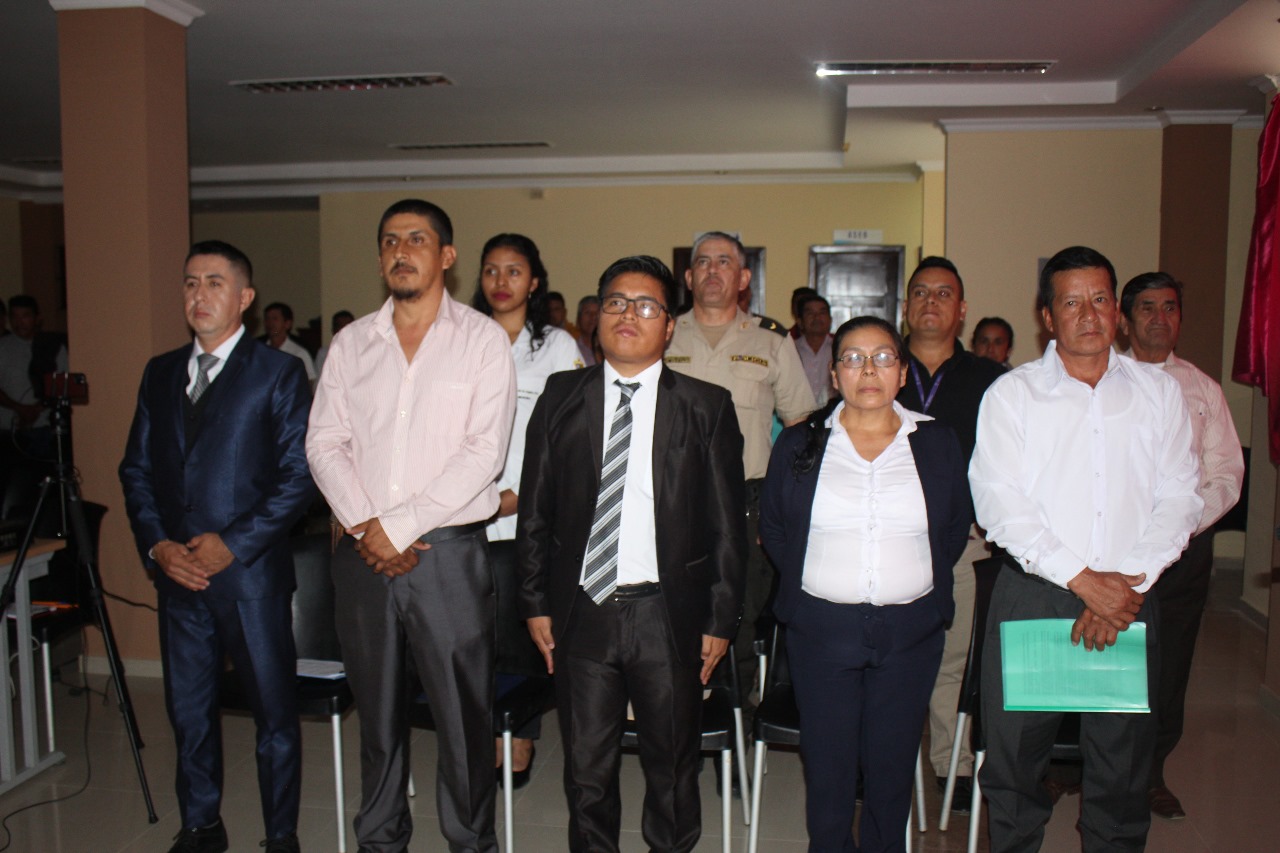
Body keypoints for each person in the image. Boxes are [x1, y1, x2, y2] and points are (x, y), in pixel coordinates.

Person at [969, 246, 1202, 853]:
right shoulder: (1012, 395)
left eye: (1100, 299)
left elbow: (1181, 495)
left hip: (1130, 600)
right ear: (1047, 315)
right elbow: (1000, 503)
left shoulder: (1159, 393)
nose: (1089, 314)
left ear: (1117, 311)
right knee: (1016, 771)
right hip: (1034, 599)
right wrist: (1083, 580)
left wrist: (1124, 585)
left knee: (1122, 776)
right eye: (1071, 302)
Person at [306, 199, 516, 853]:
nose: (401, 250)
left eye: (417, 239)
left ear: (446, 256)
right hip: (362, 557)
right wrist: (367, 526)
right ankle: (379, 840)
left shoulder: (482, 341)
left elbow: (484, 452)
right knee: (376, 719)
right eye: (390, 241)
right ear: (380, 259)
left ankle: (470, 842)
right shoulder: (351, 345)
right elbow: (324, 442)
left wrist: (397, 525)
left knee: (462, 721)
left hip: (447, 555)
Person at [517, 255, 746, 853]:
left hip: (667, 614)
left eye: (646, 306)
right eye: (616, 302)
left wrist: (720, 619)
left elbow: (727, 526)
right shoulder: (560, 396)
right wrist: (534, 601)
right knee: (586, 771)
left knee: (672, 768)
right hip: (582, 611)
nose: (628, 315)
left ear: (669, 326)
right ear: (597, 317)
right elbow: (535, 510)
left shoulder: (706, 406)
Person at [118, 241, 314, 853]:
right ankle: (201, 825)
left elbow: (299, 476)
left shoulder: (277, 372)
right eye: (190, 283)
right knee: (189, 711)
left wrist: (231, 544)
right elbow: (135, 471)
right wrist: (158, 547)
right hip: (178, 577)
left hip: (249, 578)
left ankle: (280, 835)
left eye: (214, 283)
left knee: (273, 717)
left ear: (245, 297)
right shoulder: (159, 372)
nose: (198, 295)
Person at [761, 316, 970, 853]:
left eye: (882, 357)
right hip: (822, 630)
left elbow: (951, 531)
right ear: (835, 375)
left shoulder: (937, 442)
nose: (869, 370)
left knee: (892, 765)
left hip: (910, 631)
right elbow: (776, 530)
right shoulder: (800, 443)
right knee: (828, 768)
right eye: (853, 358)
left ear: (902, 372)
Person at [665, 231, 815, 707]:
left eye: (724, 262)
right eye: (703, 262)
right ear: (689, 277)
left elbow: (801, 428)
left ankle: (736, 720)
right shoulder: (663, 333)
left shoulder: (770, 340)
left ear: (744, 278)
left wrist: (783, 506)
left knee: (740, 615)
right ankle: (676, 714)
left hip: (746, 501)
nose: (713, 270)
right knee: (671, 610)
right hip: (671, 500)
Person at [1118, 271, 1244, 821]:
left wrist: (1179, 528)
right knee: (1101, 653)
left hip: (1183, 554)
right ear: (1125, 320)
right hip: (1111, 552)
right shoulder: (1103, 380)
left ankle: (1151, 774)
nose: (1159, 318)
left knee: (1168, 666)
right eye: (1147, 307)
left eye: (1169, 307)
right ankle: (1075, 769)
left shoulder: (1202, 389)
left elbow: (1226, 475)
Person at [470, 232, 582, 787]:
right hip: (464, 515)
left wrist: (517, 495)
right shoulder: (462, 340)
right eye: (491, 270)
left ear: (533, 281)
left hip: (529, 515)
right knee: (475, 635)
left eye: (513, 271)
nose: (501, 281)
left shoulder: (556, 346)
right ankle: (485, 731)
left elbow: (569, 435)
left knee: (523, 634)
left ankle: (520, 736)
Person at [896, 256, 1004, 807]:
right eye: (921, 292)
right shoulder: (878, 366)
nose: (931, 301)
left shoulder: (992, 381)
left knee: (953, 658)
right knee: (885, 659)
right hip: (887, 542)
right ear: (905, 306)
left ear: (961, 309)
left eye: (944, 293)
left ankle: (952, 765)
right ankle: (877, 762)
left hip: (961, 543)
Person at [0, 294, 69, 462]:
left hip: (44, 428)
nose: (20, 322)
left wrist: (36, 409)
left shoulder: (53, 346)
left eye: (25, 316)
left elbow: (62, 384)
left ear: (37, 318)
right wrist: (20, 409)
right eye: (15, 317)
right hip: (8, 429)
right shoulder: (3, 346)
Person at [260, 301, 317, 383]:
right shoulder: (260, 350)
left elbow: (309, 381)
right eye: (267, 319)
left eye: (275, 319)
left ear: (287, 324)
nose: (270, 323)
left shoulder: (299, 353)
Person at [794, 294, 834, 406]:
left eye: (822, 313)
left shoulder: (838, 349)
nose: (817, 317)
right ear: (800, 322)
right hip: (798, 412)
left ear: (830, 320)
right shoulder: (790, 349)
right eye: (810, 313)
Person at [314, 309, 354, 376]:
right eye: (340, 326)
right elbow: (320, 378)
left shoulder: (362, 352)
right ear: (333, 330)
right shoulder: (323, 353)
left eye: (348, 327)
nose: (344, 331)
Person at [573, 294, 601, 365]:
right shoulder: (572, 349)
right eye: (587, 312)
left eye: (597, 313)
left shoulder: (612, 350)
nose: (593, 317)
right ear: (578, 320)